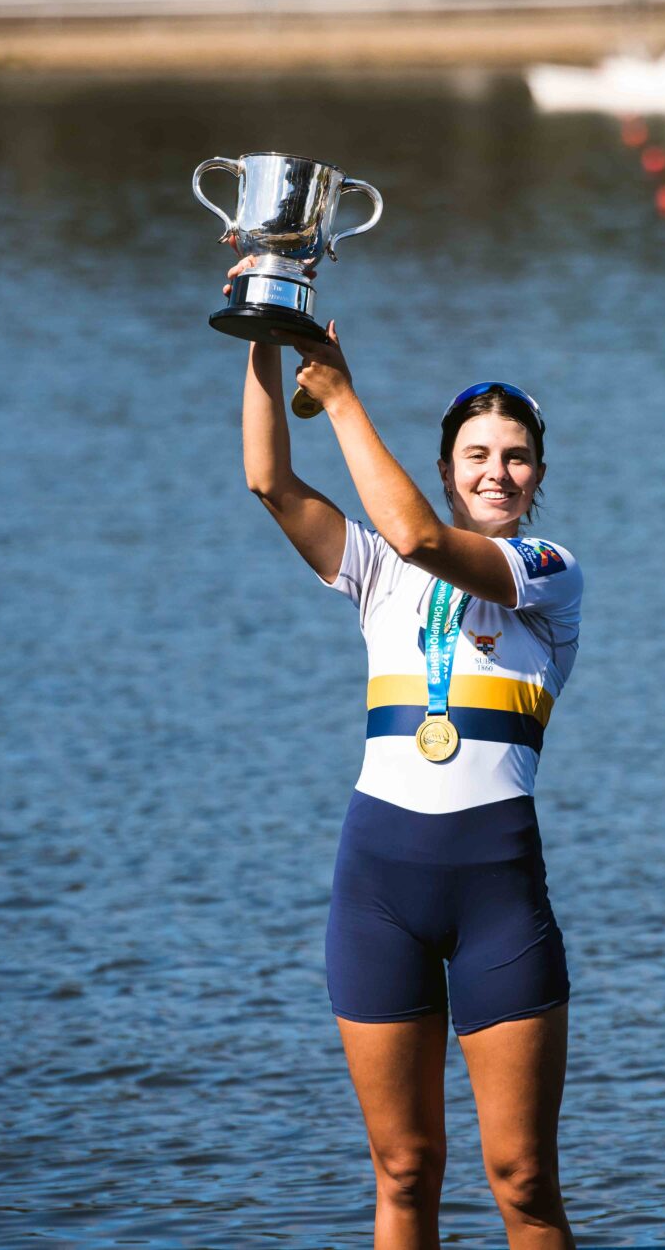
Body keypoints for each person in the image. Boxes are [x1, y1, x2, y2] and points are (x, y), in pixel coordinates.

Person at [231, 252, 581, 1250]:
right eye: (476, 454)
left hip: (495, 895)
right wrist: (266, 321)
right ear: (445, 467)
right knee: (402, 1169)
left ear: (538, 477)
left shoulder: (546, 575)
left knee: (521, 1181)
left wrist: (341, 397)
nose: (496, 472)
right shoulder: (375, 569)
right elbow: (266, 477)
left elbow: (426, 538)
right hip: (377, 883)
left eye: (515, 457)